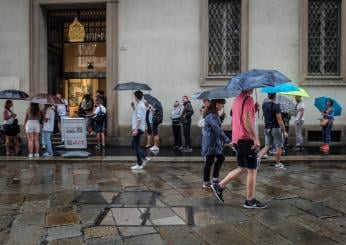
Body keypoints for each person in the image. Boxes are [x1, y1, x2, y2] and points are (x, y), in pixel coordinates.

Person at [211, 89, 267, 209]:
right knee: (252, 170)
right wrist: (256, 139)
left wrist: (254, 110)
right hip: (247, 140)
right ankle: (250, 200)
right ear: (250, 88)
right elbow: (246, 122)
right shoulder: (249, 99)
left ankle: (219, 186)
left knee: (242, 168)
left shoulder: (237, 100)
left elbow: (239, 117)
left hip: (238, 139)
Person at [201, 99, 230, 189]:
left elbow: (217, 125)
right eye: (222, 104)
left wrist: (221, 117)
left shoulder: (214, 114)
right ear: (217, 104)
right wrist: (227, 140)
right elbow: (216, 128)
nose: (222, 106)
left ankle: (214, 179)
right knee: (210, 161)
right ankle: (207, 182)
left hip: (214, 142)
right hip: (211, 142)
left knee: (219, 158)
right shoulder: (211, 115)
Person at [258, 93, 288, 169]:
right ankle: (278, 164)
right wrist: (284, 131)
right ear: (275, 96)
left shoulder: (264, 105)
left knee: (267, 146)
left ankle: (257, 160)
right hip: (275, 128)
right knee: (279, 146)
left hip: (267, 127)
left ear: (268, 96)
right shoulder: (276, 106)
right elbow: (279, 119)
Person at [130, 90, 150, 170]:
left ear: (136, 97)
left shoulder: (140, 105)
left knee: (135, 145)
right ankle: (142, 160)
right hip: (139, 128)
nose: (134, 97)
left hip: (138, 128)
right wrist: (133, 107)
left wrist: (135, 129)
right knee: (134, 145)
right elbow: (137, 114)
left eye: (134, 96)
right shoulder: (140, 105)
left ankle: (140, 162)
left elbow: (139, 118)